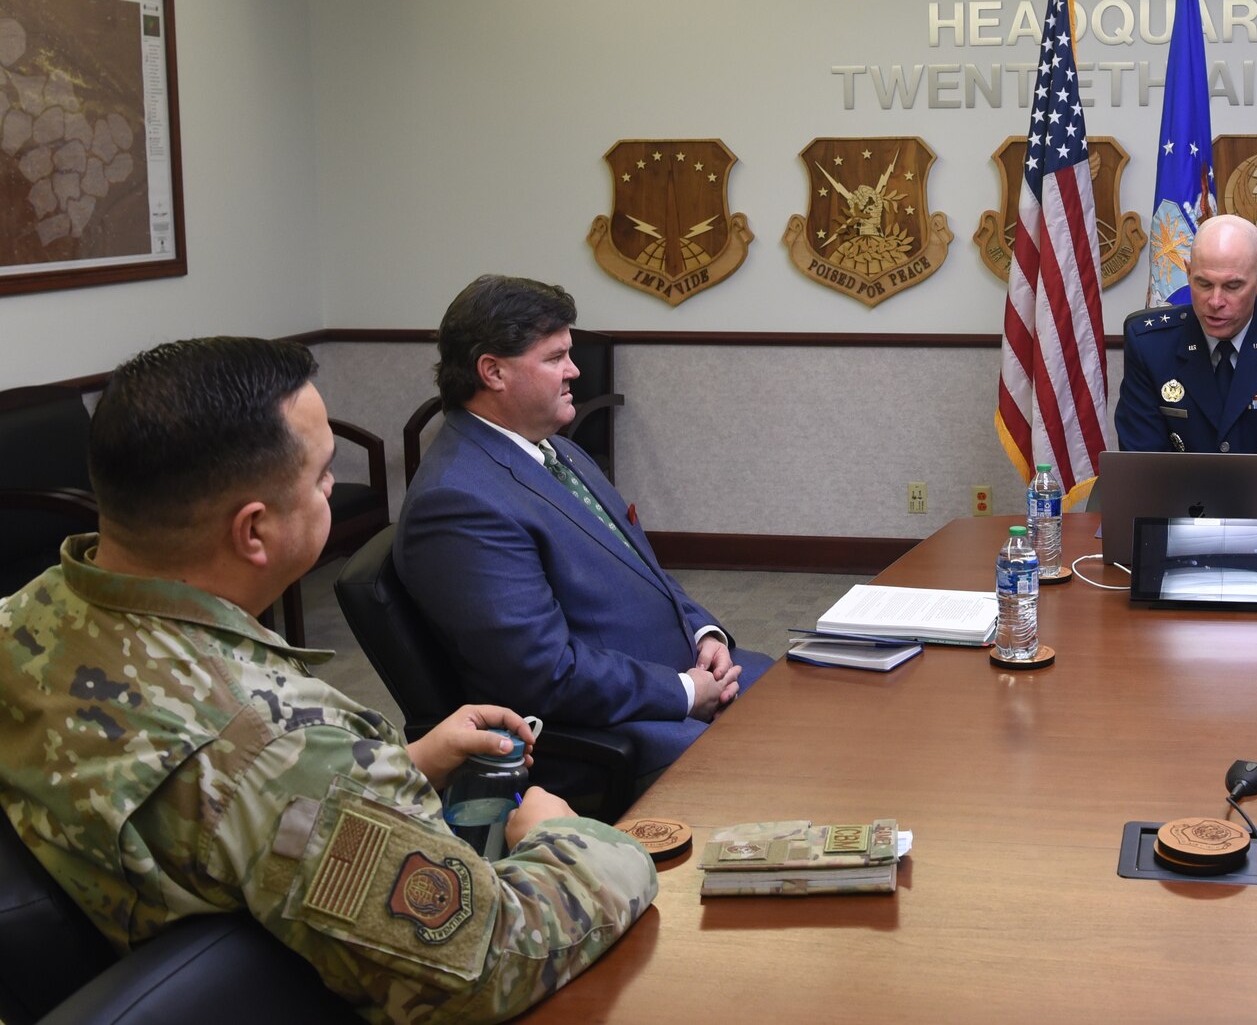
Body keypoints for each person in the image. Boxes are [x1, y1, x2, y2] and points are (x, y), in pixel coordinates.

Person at [0, 337, 656, 1022]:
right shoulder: (278, 745)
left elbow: (227, 804)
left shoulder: (29, 614)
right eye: (321, 478)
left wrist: (398, 768)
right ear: (254, 531)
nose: (328, 493)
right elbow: (488, 966)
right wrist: (565, 837)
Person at [396, 275, 771, 789]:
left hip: (684, 671)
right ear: (493, 371)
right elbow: (544, 674)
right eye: (555, 358)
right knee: (788, 769)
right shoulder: (459, 501)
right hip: (626, 726)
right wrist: (683, 691)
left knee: (821, 695)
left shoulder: (558, 451)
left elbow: (642, 572)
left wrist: (704, 632)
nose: (574, 371)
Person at [1115, 214, 1257, 512]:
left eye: (1232, 286)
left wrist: (1245, 538)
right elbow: (1142, 471)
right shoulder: (1150, 345)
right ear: (1188, 272)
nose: (1215, 301)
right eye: (1203, 283)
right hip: (1173, 531)